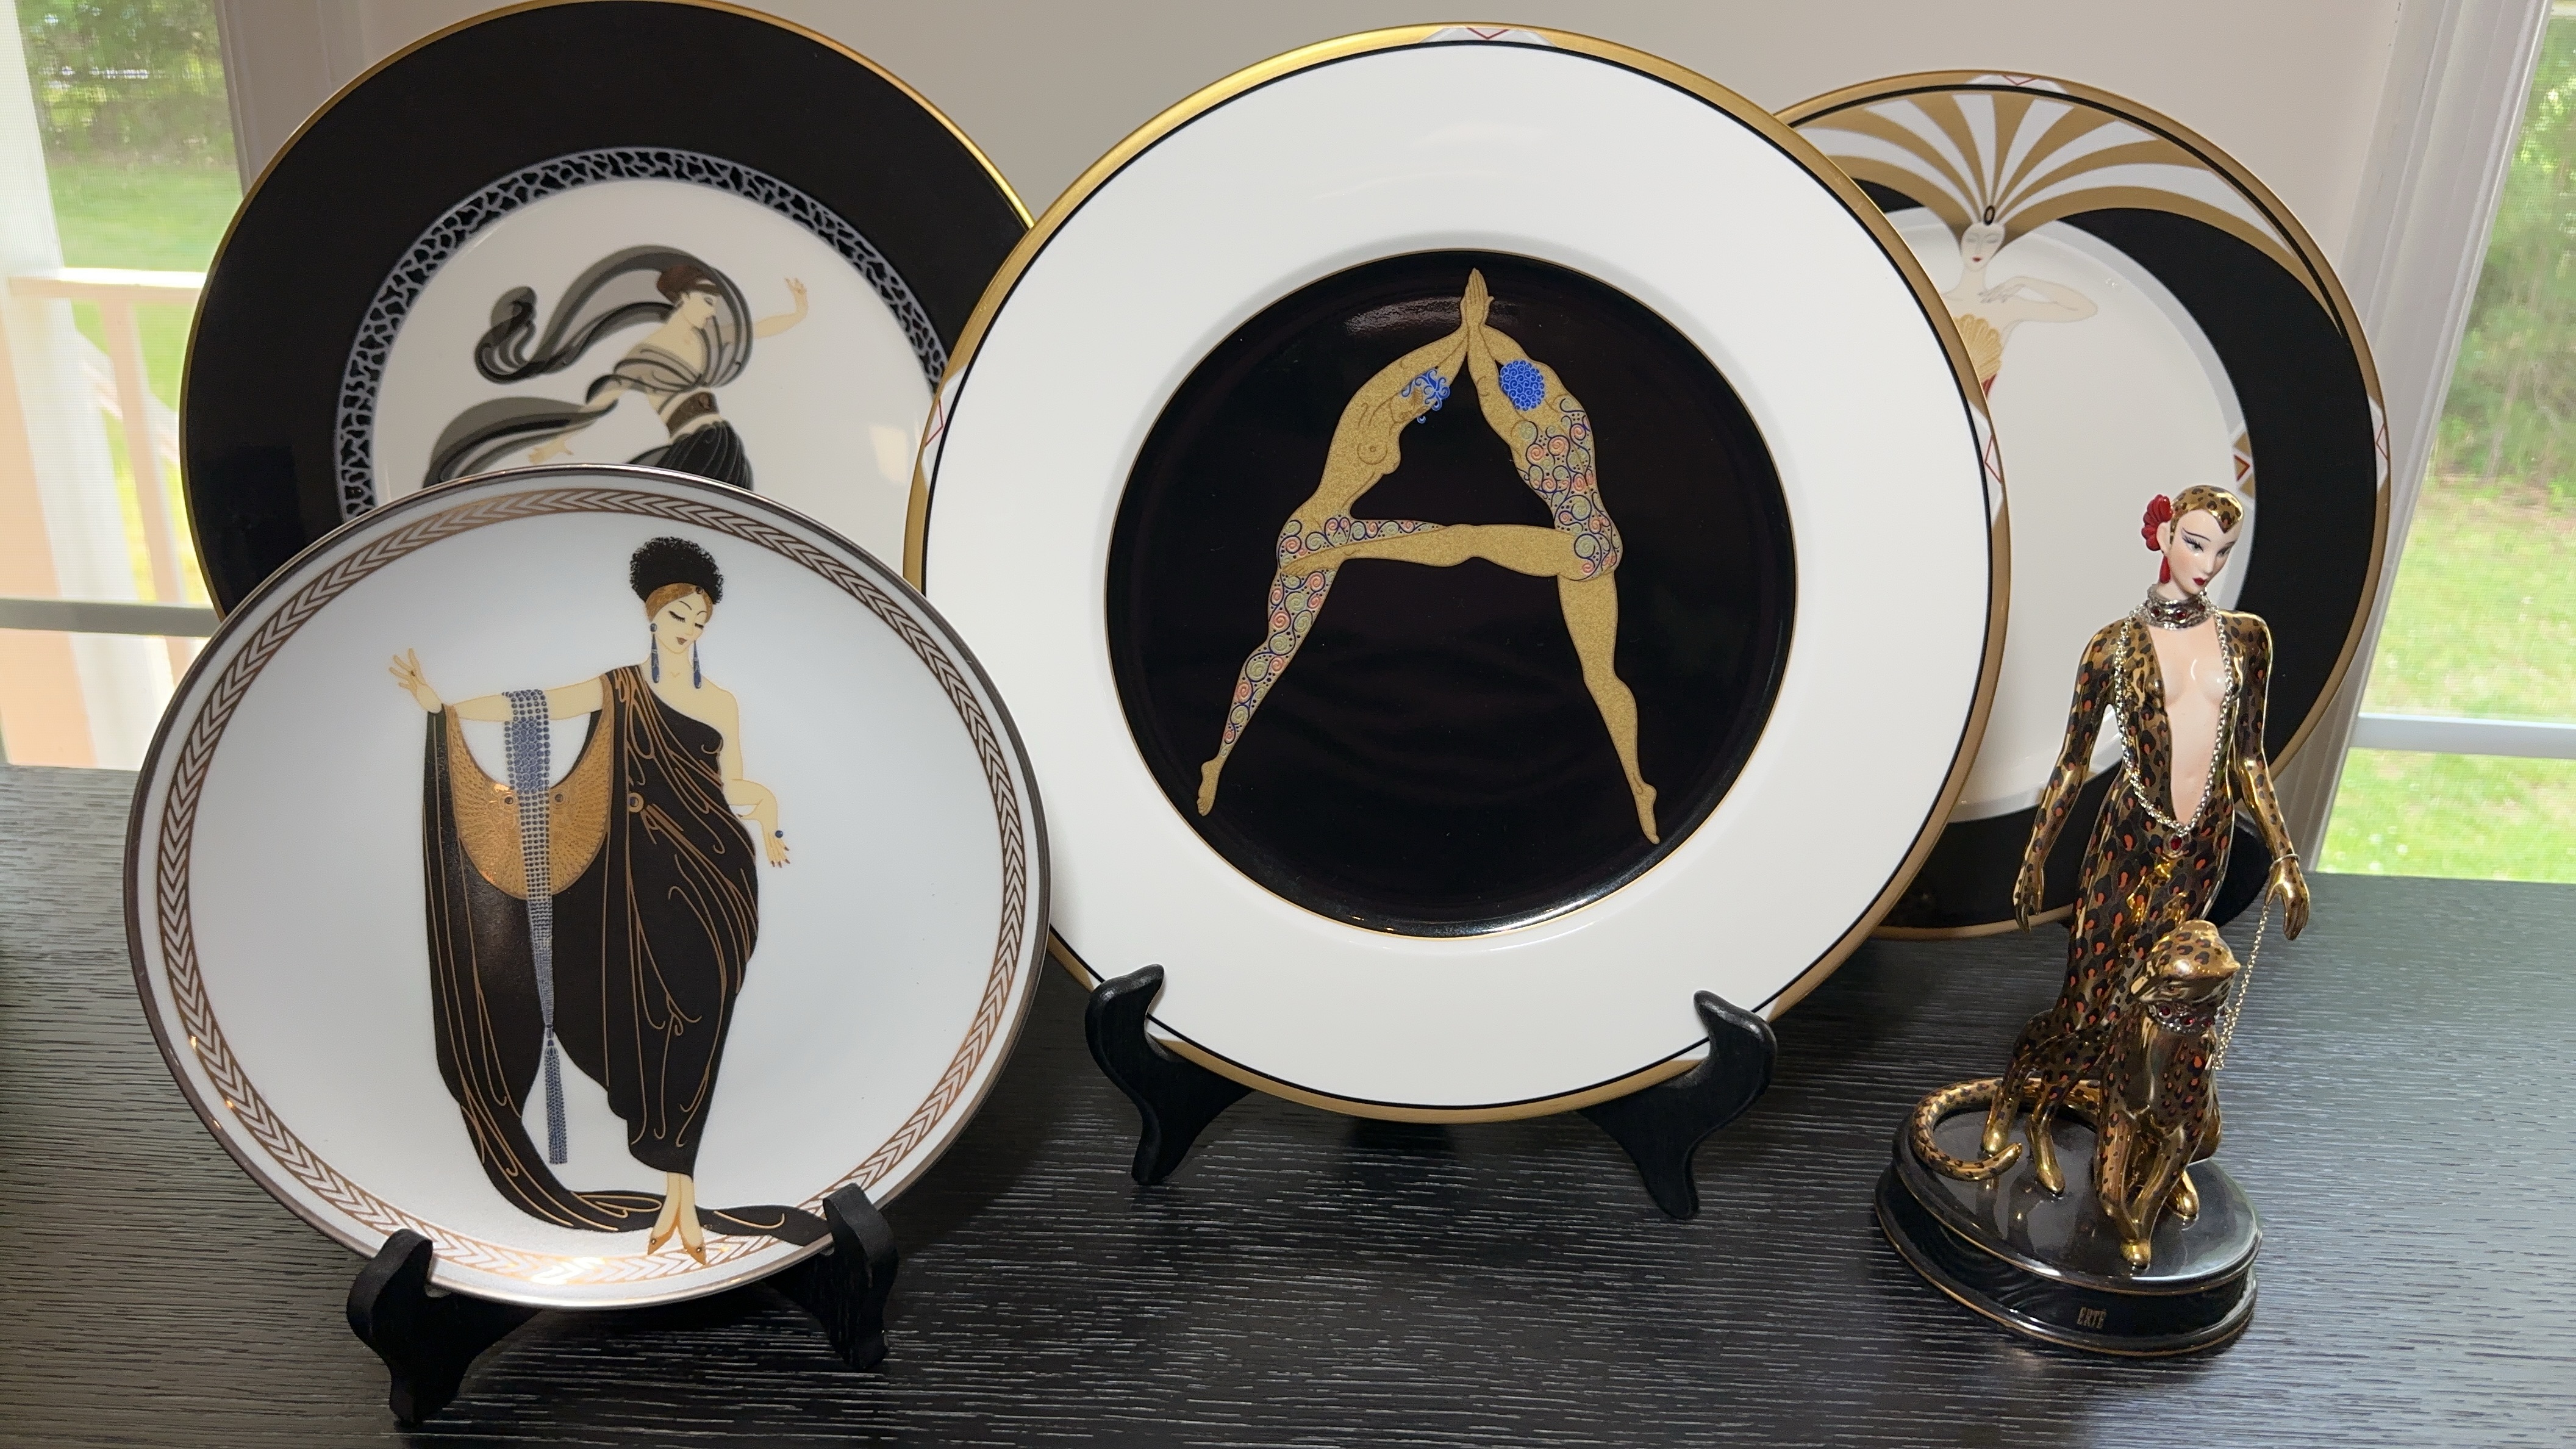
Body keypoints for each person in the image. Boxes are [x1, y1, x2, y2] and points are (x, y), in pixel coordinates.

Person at [390, 536, 813, 1260]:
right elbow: (536, 706)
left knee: (701, 1026)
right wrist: (446, 706)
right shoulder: (619, 688)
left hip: (717, 881)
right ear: (653, 614)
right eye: (678, 616)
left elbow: (734, 783)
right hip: (639, 887)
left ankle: (681, 1192)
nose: (688, 630)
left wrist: (769, 819)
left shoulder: (721, 701)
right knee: (650, 1026)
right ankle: (674, 1195)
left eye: (700, 620)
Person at [1194, 270, 1659, 843]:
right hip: (1590, 545)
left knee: (1464, 540)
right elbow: (1473, 378)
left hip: (1573, 545)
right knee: (1599, 674)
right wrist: (1471, 332)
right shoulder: (1555, 418)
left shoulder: (1530, 430)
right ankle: (1639, 784)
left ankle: (1346, 551)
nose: (1407, 412)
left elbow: (1487, 382)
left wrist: (1472, 332)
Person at [1949, 485, 2308, 1193]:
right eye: (2196, 544)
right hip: (2127, 844)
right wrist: (2034, 857)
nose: (2209, 564)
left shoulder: (2246, 640)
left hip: (2201, 848)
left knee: (2167, 1010)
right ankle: (2021, 1095)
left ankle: (2136, 1149)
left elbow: (2250, 759)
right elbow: (2072, 762)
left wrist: (2285, 856)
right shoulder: (2114, 647)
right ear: (2164, 536)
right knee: (2087, 1002)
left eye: (2224, 551)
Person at [426, 247, 807, 489]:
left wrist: (798, 313)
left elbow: (756, 329)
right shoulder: (648, 351)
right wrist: (558, 442)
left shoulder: (707, 340)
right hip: (695, 444)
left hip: (725, 442)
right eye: (707, 302)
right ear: (684, 298)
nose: (712, 313)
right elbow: (605, 399)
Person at [1942, 210, 2095, 393]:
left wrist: (2024, 281)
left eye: (1991, 241)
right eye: (1972, 240)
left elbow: (2084, 308)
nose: (1979, 249)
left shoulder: (2006, 305)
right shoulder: (1937, 302)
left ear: (1999, 248)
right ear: (1960, 243)